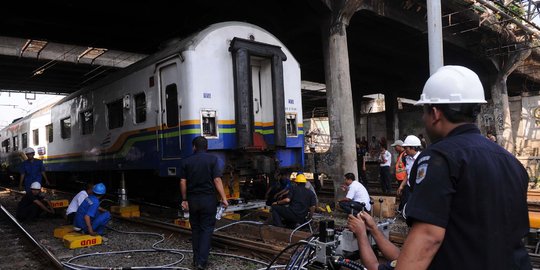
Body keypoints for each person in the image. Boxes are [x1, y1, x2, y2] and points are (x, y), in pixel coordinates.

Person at [349, 66, 532, 269]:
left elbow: (428, 238)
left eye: (424, 112)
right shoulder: (510, 161)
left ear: (435, 113)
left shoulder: (439, 158)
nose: (423, 119)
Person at [180, 136, 228, 270]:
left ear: (194, 147)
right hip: (208, 200)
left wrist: (184, 199)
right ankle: (202, 262)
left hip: (193, 201)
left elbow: (183, 182)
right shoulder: (213, 160)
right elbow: (217, 180)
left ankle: (196, 260)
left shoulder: (187, 161)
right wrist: (224, 198)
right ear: (206, 147)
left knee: (195, 229)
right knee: (206, 229)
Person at [396, 135, 422, 213]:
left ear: (413, 148)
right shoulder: (407, 158)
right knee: (406, 203)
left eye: (406, 148)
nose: (405, 150)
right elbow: (408, 174)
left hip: (418, 188)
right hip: (409, 187)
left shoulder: (421, 158)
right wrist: (401, 186)